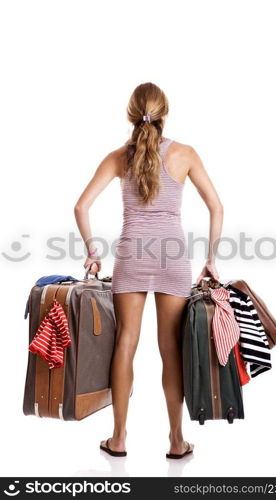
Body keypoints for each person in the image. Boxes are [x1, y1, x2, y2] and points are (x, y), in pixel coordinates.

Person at [74, 82, 224, 459]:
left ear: (131, 114)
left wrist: (93, 252)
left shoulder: (117, 157)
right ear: (164, 113)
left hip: (131, 256)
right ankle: (176, 441)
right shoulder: (185, 154)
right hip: (173, 259)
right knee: (170, 348)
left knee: (126, 342)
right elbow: (217, 207)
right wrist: (211, 259)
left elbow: (80, 207)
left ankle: (119, 438)